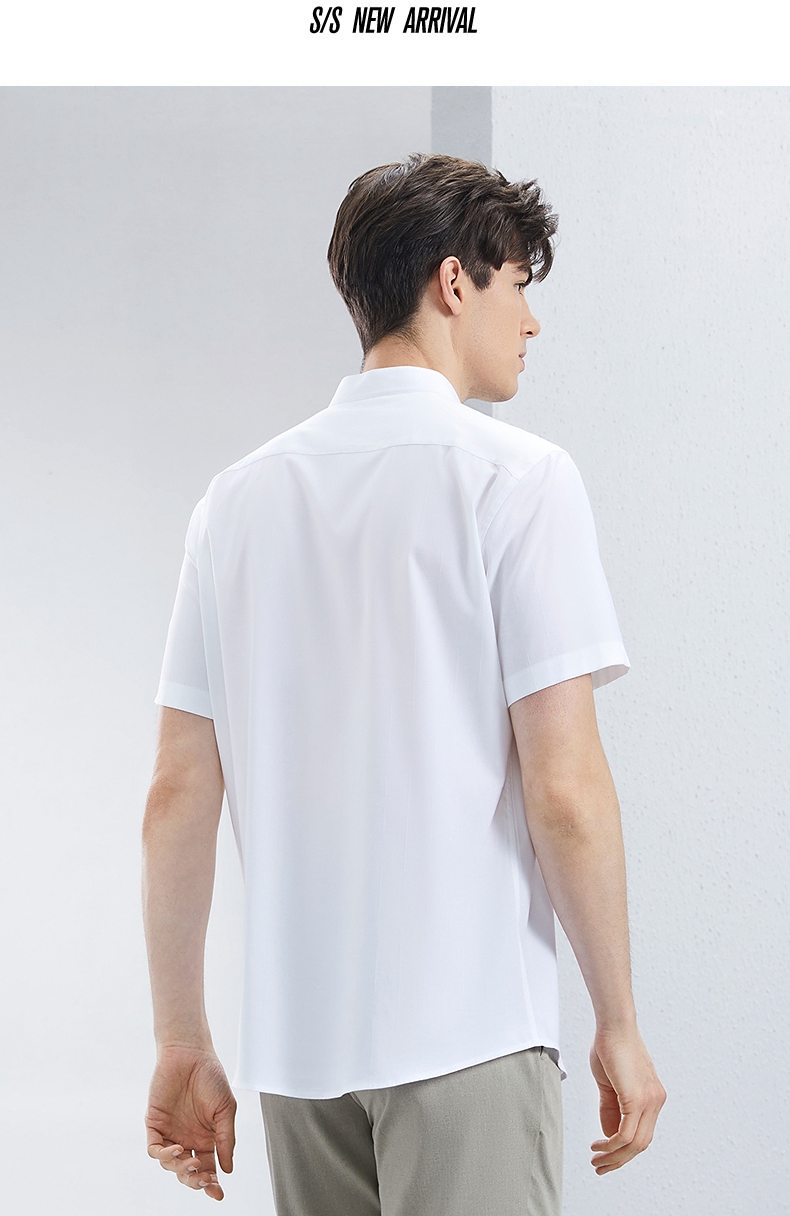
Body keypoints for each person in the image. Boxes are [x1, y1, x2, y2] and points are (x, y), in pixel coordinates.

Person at [142, 152, 666, 1213]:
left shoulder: (233, 503)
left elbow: (178, 794)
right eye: (518, 283)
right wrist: (617, 1016)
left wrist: (182, 1038)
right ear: (453, 281)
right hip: (469, 1031)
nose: (531, 321)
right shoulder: (518, 480)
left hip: (300, 1054)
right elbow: (564, 788)